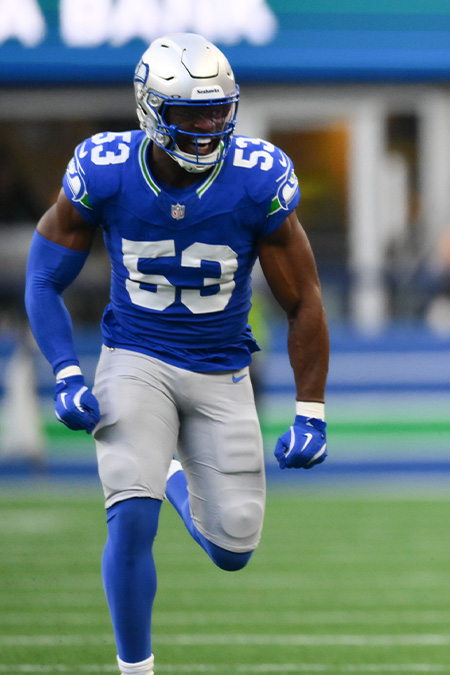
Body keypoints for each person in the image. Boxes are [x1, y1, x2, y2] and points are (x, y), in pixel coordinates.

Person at [23, 33, 330, 675]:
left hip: (223, 369)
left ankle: (170, 478)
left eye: (217, 110)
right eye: (191, 113)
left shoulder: (255, 179)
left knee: (233, 547)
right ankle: (136, 668)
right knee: (130, 518)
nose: (207, 126)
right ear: (149, 109)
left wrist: (311, 410)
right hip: (134, 356)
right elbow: (44, 276)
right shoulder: (104, 170)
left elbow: (303, 298)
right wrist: (67, 372)